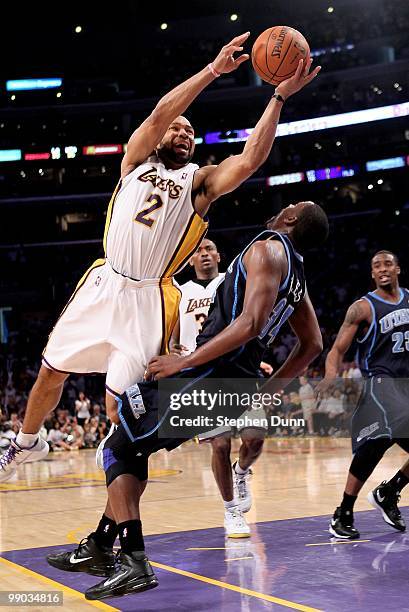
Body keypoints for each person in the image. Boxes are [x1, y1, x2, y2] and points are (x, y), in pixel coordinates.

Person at [0, 34, 320, 487]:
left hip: (149, 297)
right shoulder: (134, 160)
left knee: (120, 405)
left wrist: (278, 97)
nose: (183, 133)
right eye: (178, 128)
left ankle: (120, 483)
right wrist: (212, 72)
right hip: (104, 281)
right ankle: (28, 441)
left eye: (191, 132)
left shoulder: (200, 183)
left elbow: (249, 160)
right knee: (50, 372)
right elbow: (158, 115)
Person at [48, 201, 329, 601]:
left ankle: (132, 561)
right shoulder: (297, 275)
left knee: (117, 448)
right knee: (132, 446)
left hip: (210, 378)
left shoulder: (268, 248)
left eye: (288, 206)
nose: (280, 208)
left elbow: (249, 324)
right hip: (230, 385)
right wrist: (266, 391)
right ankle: (98, 543)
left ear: (291, 219)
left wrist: (186, 360)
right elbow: (312, 345)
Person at [173, 238, 266, 538]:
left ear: (219, 254)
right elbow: (173, 340)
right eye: (198, 251)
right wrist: (176, 356)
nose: (204, 254)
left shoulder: (234, 280)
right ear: (189, 261)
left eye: (209, 248)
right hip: (203, 374)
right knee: (221, 443)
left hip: (238, 370)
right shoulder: (180, 293)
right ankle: (231, 511)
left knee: (255, 439)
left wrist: (256, 358)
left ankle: (241, 474)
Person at [317, 251, 409, 539]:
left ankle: (385, 492)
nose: (382, 269)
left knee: (376, 443)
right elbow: (336, 351)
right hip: (379, 383)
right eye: (376, 266)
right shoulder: (363, 308)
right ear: (372, 274)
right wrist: (331, 375)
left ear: (398, 269)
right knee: (394, 423)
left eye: (387, 264)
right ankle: (345, 510)